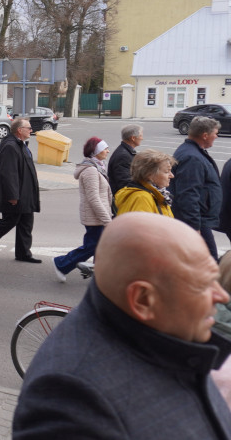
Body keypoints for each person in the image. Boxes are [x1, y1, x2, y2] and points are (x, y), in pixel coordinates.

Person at [12, 213, 231, 439]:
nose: (221, 296)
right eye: (203, 285)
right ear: (142, 299)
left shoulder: (166, 332)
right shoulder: (72, 400)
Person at [53, 137, 112, 282]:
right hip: (95, 217)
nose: (108, 151)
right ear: (96, 151)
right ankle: (62, 264)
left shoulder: (98, 166)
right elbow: (94, 198)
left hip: (99, 215)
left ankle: (97, 274)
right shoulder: (91, 171)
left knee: (97, 246)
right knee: (92, 246)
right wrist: (107, 220)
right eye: (105, 149)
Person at [171, 116, 223, 260]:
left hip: (198, 219)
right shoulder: (192, 157)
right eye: (215, 133)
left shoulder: (192, 152)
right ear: (205, 135)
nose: (216, 136)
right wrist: (194, 227)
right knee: (209, 260)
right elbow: (187, 194)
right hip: (196, 221)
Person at [0, 117, 41, 263]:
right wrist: (13, 195)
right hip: (17, 194)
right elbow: (9, 173)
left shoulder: (20, 144)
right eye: (29, 128)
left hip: (26, 193)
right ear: (20, 130)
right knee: (8, 222)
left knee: (26, 223)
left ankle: (23, 253)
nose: (31, 130)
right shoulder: (10, 146)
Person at [115, 149, 176, 217]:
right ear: (149, 175)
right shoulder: (142, 198)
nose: (172, 176)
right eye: (167, 171)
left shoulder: (159, 195)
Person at [108, 124, 142, 192]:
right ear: (133, 138)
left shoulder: (126, 152)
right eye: (140, 135)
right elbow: (124, 183)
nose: (142, 138)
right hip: (123, 199)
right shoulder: (123, 156)